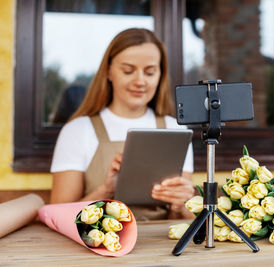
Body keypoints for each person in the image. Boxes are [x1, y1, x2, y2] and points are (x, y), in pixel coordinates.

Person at [50, 28, 195, 220]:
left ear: (160, 75)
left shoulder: (176, 129)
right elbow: (57, 217)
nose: (140, 81)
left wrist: (180, 204)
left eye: (150, 72)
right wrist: (106, 191)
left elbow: (182, 220)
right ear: (108, 71)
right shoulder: (77, 131)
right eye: (128, 71)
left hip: (160, 247)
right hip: (98, 246)